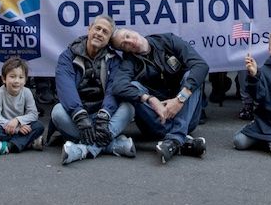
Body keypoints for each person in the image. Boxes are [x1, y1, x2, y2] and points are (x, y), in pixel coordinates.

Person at [109, 28, 209, 164]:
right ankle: (180, 140)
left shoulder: (168, 40)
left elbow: (201, 65)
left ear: (134, 31)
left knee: (192, 77)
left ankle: (174, 140)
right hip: (158, 122)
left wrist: (180, 99)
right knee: (134, 86)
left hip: (186, 115)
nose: (129, 41)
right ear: (125, 51)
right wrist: (150, 99)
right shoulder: (129, 62)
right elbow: (118, 86)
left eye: (127, 36)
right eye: (123, 44)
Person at [54, 16, 137, 164]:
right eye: (97, 28)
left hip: (104, 118)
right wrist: (80, 117)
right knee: (57, 112)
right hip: (78, 117)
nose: (99, 33)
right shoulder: (67, 56)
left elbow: (114, 89)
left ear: (108, 39)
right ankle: (111, 145)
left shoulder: (115, 60)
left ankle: (82, 150)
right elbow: (65, 88)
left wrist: (104, 116)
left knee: (128, 108)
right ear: (89, 29)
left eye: (105, 32)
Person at [0, 57, 45, 156]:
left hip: (23, 127)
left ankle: (7, 146)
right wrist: (14, 127)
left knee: (39, 126)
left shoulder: (27, 92)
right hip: (5, 128)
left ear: (25, 80)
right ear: (4, 79)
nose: (16, 81)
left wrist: (18, 121)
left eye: (21, 77)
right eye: (12, 76)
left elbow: (33, 114)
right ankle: (29, 143)